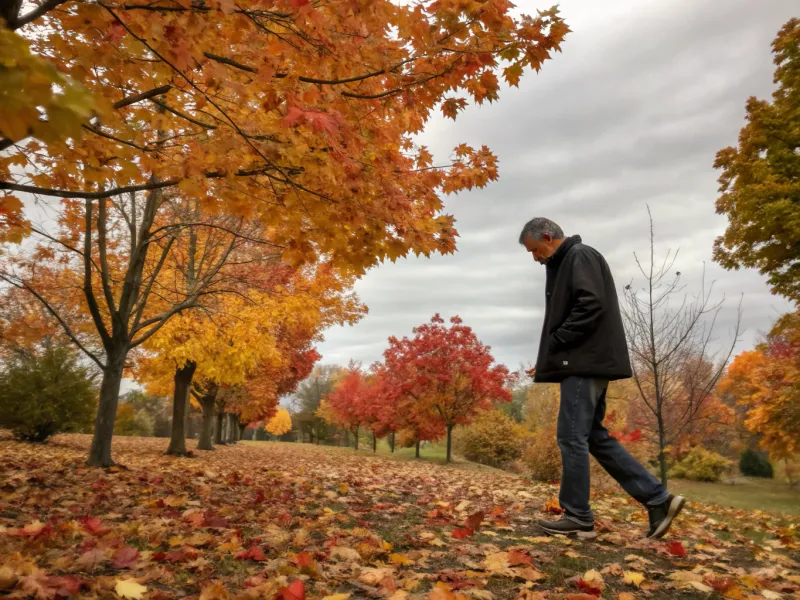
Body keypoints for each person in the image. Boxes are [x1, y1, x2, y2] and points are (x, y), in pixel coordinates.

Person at [519, 217, 685, 539]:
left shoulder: (579, 256)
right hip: (583, 361)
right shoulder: (570, 261)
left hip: (585, 364)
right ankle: (657, 499)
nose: (535, 258)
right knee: (592, 436)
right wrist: (552, 355)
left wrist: (558, 340)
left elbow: (590, 303)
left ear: (548, 236)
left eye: (535, 249)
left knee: (570, 436)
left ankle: (578, 515)